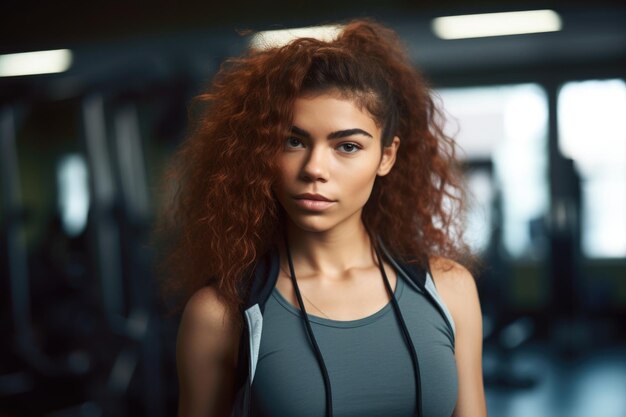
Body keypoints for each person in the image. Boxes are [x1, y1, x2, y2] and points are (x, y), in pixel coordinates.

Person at [155, 18, 486, 417]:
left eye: (346, 146)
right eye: (293, 141)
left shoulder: (449, 290)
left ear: (386, 157)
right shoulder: (222, 314)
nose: (314, 168)